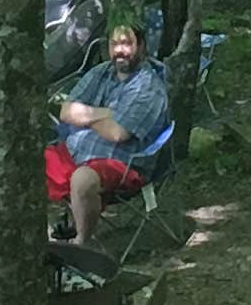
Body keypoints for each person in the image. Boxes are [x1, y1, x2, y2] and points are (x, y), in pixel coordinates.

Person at [48, 21, 169, 243]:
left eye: (127, 43)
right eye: (114, 44)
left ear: (141, 47)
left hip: (123, 163)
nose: (119, 50)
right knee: (24, 163)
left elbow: (118, 134)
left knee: (82, 180)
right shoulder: (100, 73)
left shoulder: (148, 86)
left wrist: (84, 117)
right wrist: (111, 112)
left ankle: (81, 244)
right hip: (74, 151)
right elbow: (65, 111)